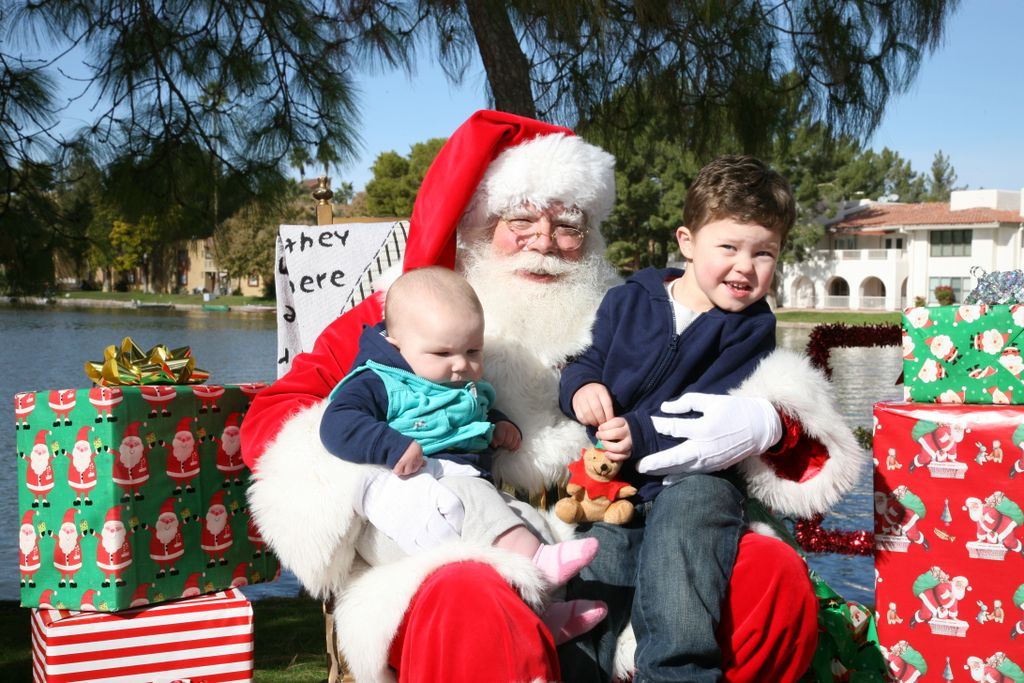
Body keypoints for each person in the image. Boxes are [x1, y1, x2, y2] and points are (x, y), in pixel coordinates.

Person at [240, 110, 865, 683]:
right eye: (520, 221)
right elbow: (272, 419)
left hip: (620, 533)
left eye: (568, 226)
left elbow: (781, 434)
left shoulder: (627, 310)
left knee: (769, 577)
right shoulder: (410, 318)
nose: (544, 242)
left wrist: (766, 420)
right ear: (478, 226)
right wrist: (374, 483)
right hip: (456, 541)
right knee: (474, 594)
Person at [559, 154, 794, 680]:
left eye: (765, 253)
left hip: (694, 475)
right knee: (599, 568)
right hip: (611, 481)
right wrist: (582, 388)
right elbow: (586, 357)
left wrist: (639, 432)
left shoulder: (750, 329)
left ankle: (677, 669)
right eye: (728, 247)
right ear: (687, 242)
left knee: (682, 558)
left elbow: (713, 406)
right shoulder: (626, 302)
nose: (745, 266)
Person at [318, 266, 607, 643]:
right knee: (476, 496)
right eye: (443, 352)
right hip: (410, 506)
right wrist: (389, 446)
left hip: (465, 496)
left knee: (530, 520)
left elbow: (476, 415)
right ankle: (535, 565)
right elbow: (336, 424)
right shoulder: (380, 381)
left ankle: (543, 614)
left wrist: (499, 427)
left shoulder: (463, 385)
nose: (461, 364)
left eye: (473, 351)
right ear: (395, 345)